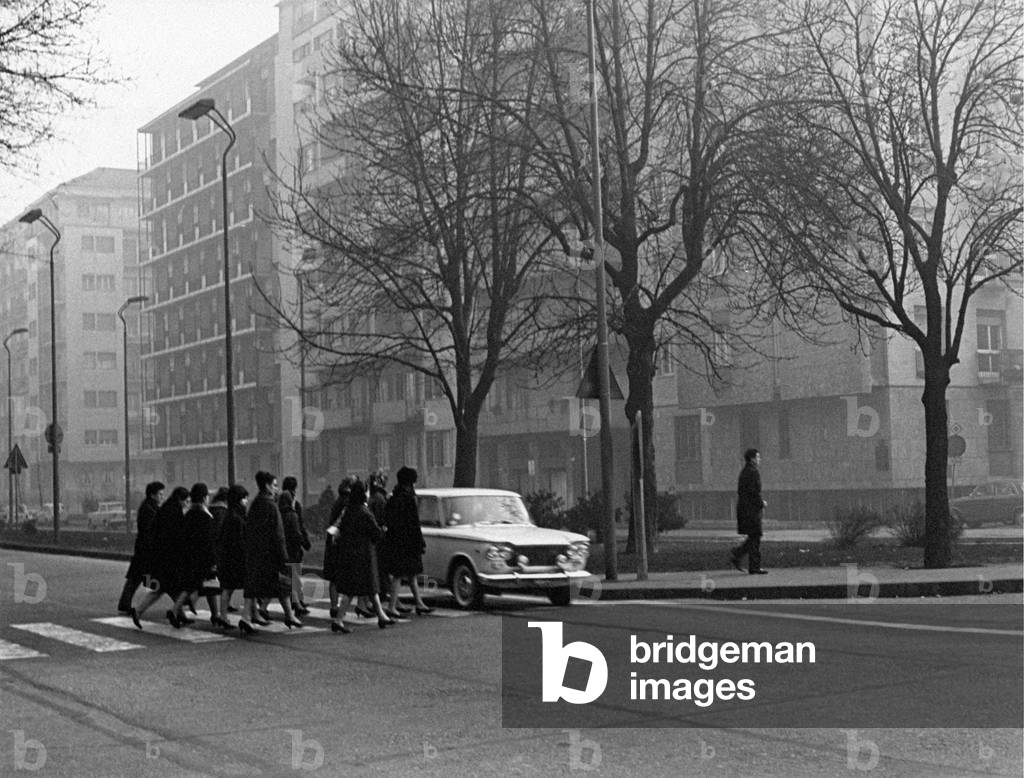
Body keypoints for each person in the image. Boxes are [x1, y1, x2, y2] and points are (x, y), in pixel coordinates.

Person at [327, 479, 394, 633]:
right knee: (362, 588)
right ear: (363, 493)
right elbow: (375, 533)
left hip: (350, 554)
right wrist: (383, 530)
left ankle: (381, 616)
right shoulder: (364, 512)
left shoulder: (349, 510)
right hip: (364, 555)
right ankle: (338, 620)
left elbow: (341, 529)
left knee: (368, 588)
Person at [240, 471, 302, 634]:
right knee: (283, 584)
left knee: (253, 585)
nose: (276, 489)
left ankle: (247, 616)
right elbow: (278, 534)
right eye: (274, 485)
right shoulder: (271, 505)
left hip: (255, 552)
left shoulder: (255, 504)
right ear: (267, 486)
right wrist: (284, 556)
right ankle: (289, 615)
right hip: (270, 554)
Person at [129, 486, 190, 628]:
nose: (187, 503)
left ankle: (179, 614)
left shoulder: (166, 509)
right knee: (165, 588)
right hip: (167, 558)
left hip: (160, 557)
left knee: (168, 588)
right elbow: (177, 536)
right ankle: (138, 612)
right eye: (186, 501)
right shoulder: (174, 512)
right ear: (180, 499)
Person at [177, 483, 231, 629]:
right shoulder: (205, 515)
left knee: (209, 586)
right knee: (202, 586)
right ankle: (178, 608)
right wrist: (214, 558)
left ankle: (215, 614)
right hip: (204, 557)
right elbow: (210, 539)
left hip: (191, 556)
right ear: (204, 498)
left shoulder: (188, 514)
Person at [381, 466, 433, 617]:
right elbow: (414, 523)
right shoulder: (409, 498)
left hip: (395, 540)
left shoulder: (393, 497)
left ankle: (419, 603)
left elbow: (388, 519)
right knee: (401, 574)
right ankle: (392, 607)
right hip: (408, 542)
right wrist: (420, 542)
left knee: (410, 574)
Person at [117, 481, 164, 614]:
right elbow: (152, 529)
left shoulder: (149, 507)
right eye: (160, 494)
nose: (162, 497)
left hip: (143, 548)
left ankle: (124, 603)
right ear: (152, 495)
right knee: (141, 577)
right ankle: (178, 601)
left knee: (136, 577)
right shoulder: (149, 509)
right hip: (146, 549)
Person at [731, 448, 768, 575]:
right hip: (751, 510)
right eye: (758, 457)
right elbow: (754, 492)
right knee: (756, 536)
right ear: (752, 459)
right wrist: (761, 503)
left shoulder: (745, 472)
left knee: (753, 536)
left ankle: (738, 554)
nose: (759, 459)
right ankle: (754, 566)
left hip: (745, 509)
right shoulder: (753, 472)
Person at [281, 476, 311, 614]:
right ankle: (297, 601)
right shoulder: (294, 508)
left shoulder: (278, 505)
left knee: (291, 575)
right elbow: (300, 526)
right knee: (295, 574)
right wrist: (305, 541)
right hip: (293, 546)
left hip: (285, 545)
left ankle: (297, 599)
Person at [217, 484, 248, 619]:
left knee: (227, 588)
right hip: (237, 558)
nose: (246, 501)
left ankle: (223, 616)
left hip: (228, 558)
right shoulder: (237, 518)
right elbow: (240, 540)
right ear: (238, 500)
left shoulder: (229, 515)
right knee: (250, 588)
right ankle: (249, 616)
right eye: (244, 498)